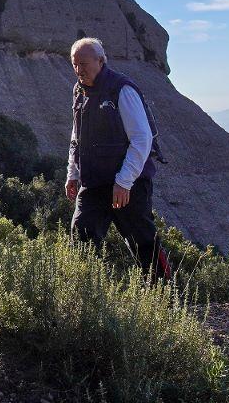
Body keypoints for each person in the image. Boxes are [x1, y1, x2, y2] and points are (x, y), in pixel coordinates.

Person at [64, 37, 171, 278]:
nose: (79, 70)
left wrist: (124, 182)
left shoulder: (122, 89)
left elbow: (141, 139)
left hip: (128, 185)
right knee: (81, 237)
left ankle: (165, 298)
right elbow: (76, 135)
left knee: (143, 242)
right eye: (74, 64)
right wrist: (72, 174)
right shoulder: (79, 92)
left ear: (101, 61)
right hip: (93, 183)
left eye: (84, 63)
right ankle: (83, 298)